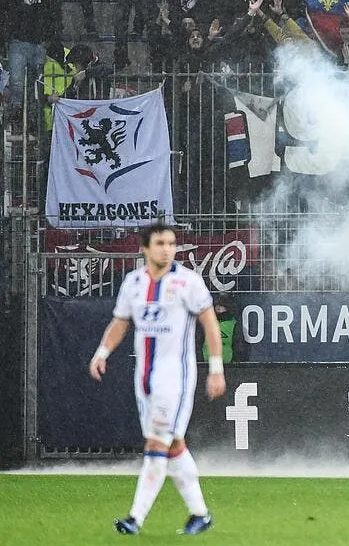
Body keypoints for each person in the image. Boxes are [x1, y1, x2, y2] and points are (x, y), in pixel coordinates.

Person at [88, 223, 226, 536]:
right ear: (145, 248)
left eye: (171, 243)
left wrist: (216, 368)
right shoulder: (133, 283)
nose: (168, 248)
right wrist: (102, 353)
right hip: (145, 377)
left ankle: (134, 519)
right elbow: (120, 323)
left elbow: (210, 324)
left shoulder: (188, 282)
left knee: (156, 443)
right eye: (160, 243)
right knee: (174, 444)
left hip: (174, 378)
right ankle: (200, 515)